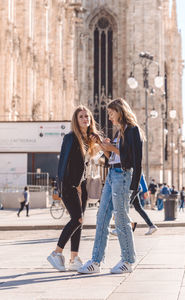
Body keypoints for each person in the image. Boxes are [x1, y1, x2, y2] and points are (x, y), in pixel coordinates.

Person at [78, 98, 143, 274]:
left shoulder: (132, 131)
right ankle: (96, 261)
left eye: (111, 113)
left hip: (123, 176)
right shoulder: (118, 132)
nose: (109, 117)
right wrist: (101, 143)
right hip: (112, 174)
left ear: (119, 111)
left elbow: (133, 159)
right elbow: (110, 157)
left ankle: (128, 260)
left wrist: (134, 186)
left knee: (121, 219)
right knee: (102, 217)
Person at [47, 105, 101, 272]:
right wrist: (61, 186)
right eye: (81, 117)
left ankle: (74, 257)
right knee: (76, 219)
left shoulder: (89, 139)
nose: (85, 119)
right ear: (76, 121)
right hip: (70, 185)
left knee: (80, 221)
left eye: (87, 116)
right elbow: (62, 163)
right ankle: (56, 253)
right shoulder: (70, 137)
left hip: (81, 185)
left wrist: (99, 142)